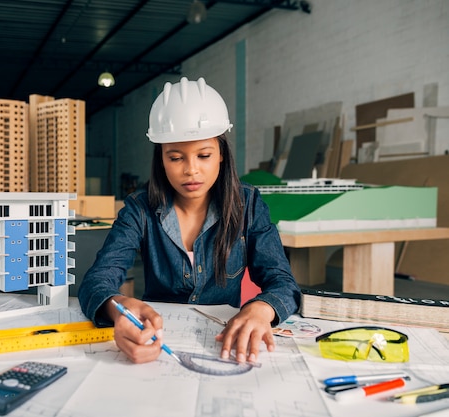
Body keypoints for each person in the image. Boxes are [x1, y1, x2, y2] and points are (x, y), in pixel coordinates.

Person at [78, 77, 300, 364]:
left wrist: (260, 309)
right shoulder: (139, 209)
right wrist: (118, 306)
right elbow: (97, 279)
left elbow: (283, 282)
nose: (191, 170)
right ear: (160, 159)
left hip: (223, 343)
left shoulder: (248, 205)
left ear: (221, 154)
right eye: (175, 158)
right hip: (160, 343)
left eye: (204, 155)